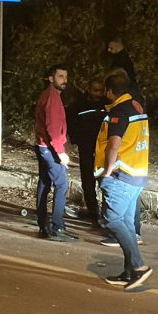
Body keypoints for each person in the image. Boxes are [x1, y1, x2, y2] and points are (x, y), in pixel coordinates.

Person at [95, 73, 152, 290]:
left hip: (121, 175)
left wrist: (107, 172)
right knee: (127, 223)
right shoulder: (137, 107)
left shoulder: (119, 112)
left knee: (112, 220)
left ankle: (138, 267)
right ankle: (129, 272)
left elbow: (113, 145)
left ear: (110, 91)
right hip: (137, 173)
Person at [34, 64, 78, 241]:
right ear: (51, 78)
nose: (64, 80)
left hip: (43, 145)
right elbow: (53, 127)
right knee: (61, 184)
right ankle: (57, 226)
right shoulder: (52, 97)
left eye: (65, 77)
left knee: (45, 182)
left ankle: (43, 223)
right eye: (60, 76)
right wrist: (60, 152)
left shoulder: (49, 95)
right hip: (49, 148)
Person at [66, 77, 107, 225]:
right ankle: (93, 213)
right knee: (88, 182)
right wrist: (77, 140)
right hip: (86, 148)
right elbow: (71, 122)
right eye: (95, 90)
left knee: (106, 182)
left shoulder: (107, 105)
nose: (98, 94)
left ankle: (107, 214)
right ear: (89, 89)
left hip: (104, 149)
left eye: (101, 91)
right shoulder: (79, 105)